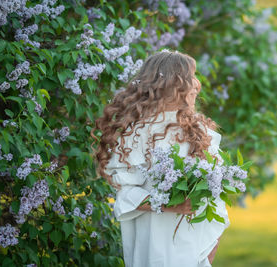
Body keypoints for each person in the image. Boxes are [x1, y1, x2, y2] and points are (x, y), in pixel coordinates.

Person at [93, 50, 230, 267]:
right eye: (190, 77)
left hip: (194, 249)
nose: (197, 85)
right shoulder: (137, 134)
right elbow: (127, 194)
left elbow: (216, 201)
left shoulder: (200, 133)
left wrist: (206, 255)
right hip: (154, 245)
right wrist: (170, 204)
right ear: (170, 85)